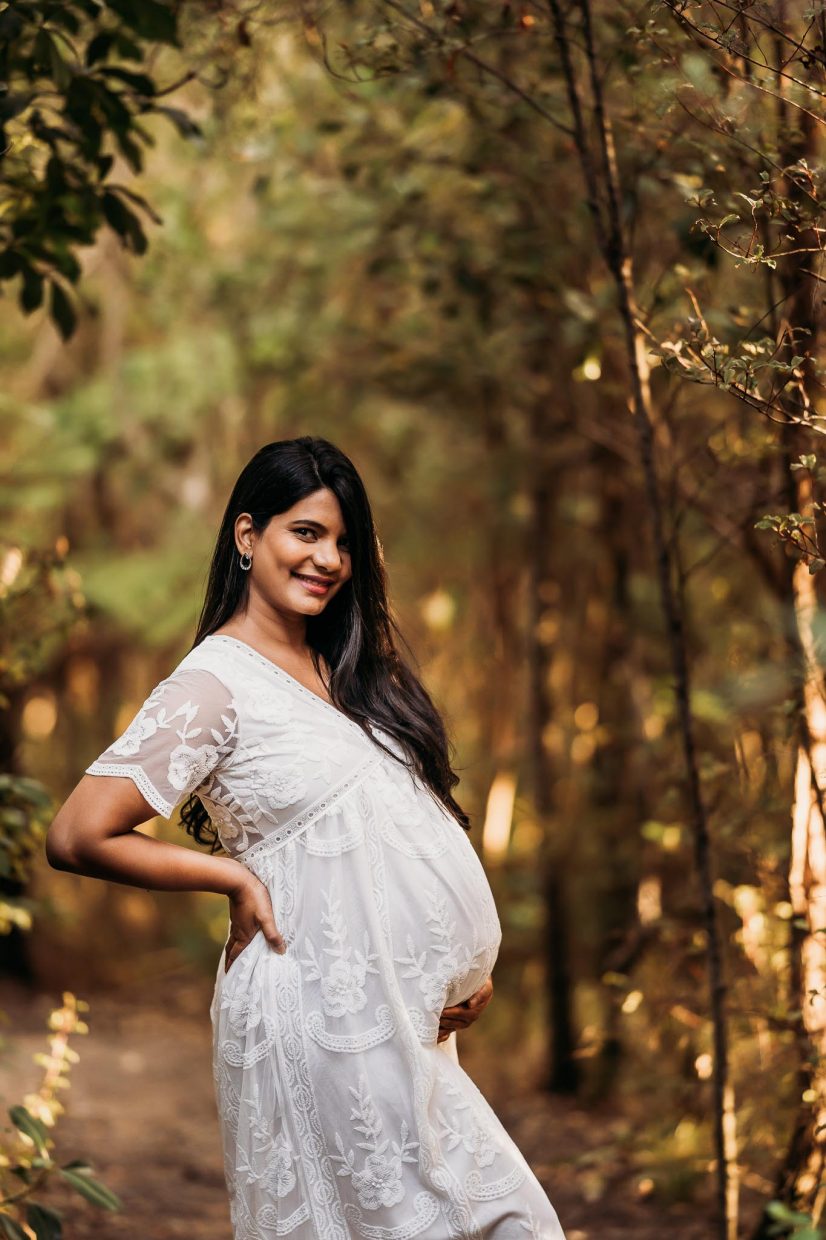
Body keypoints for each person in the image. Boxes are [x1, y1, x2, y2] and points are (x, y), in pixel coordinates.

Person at [46, 436, 566, 1238]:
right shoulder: (214, 684)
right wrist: (232, 879)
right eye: (307, 532)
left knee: (509, 1220)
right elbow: (79, 832)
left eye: (344, 542)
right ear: (247, 535)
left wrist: (454, 970)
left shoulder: (353, 673)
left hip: (397, 1016)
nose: (328, 559)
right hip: (313, 1008)